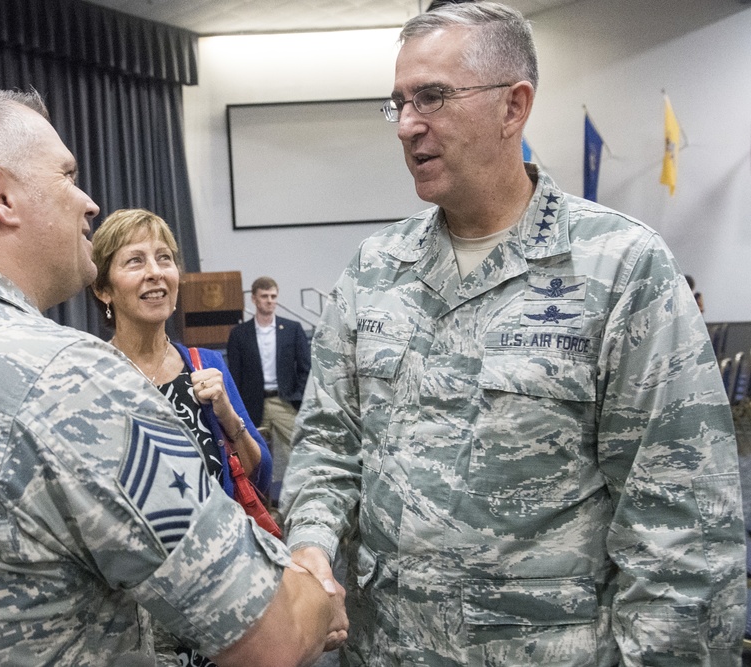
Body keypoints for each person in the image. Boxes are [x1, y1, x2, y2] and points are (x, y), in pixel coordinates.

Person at [0, 87, 345, 667]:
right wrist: (315, 584)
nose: (89, 202)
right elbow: (272, 637)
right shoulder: (70, 380)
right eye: (68, 176)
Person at [280, 4, 746, 666]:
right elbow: (328, 445)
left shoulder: (618, 268)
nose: (409, 124)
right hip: (386, 650)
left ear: (513, 106)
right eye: (399, 103)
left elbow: (682, 526)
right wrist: (311, 545)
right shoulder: (374, 271)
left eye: (433, 97)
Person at [89, 207, 275, 666]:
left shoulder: (205, 364)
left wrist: (228, 415)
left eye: (165, 258)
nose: (156, 273)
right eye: (135, 261)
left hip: (218, 591)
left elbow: (259, 474)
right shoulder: (89, 376)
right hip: (130, 605)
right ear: (103, 289)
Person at [226, 276, 311, 498]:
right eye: (265, 296)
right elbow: (234, 374)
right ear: (254, 299)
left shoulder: (292, 329)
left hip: (284, 400)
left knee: (300, 447)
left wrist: (298, 395)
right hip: (253, 402)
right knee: (251, 455)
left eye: (273, 296)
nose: (270, 301)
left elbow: (305, 367)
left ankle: (300, 496)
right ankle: (261, 503)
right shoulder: (239, 334)